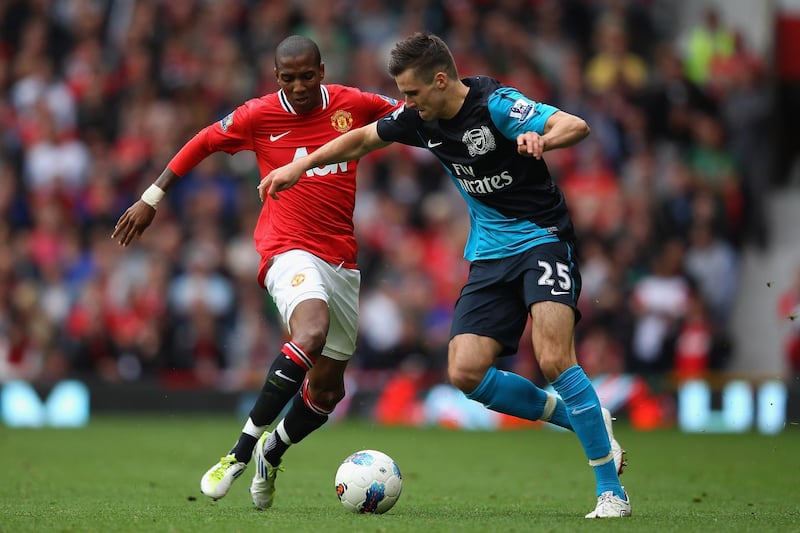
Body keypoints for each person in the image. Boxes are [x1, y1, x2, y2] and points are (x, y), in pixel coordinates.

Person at [261, 32, 631, 518]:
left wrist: (542, 137)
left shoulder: (496, 104)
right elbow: (363, 138)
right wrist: (302, 166)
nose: (405, 103)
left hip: (542, 238)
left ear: (440, 80)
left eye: (412, 93)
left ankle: (611, 492)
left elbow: (575, 125)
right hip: (490, 255)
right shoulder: (420, 119)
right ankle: (584, 421)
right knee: (465, 371)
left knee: (555, 359)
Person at [111, 35, 400, 509]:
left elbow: (413, 115)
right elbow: (201, 142)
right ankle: (240, 451)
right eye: (289, 78)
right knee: (310, 331)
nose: (300, 85)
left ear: (322, 72)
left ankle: (272, 450)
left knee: (327, 392)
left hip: (342, 259)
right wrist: (151, 197)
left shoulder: (352, 103)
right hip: (286, 248)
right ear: (276, 77)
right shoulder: (257, 115)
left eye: (308, 75)